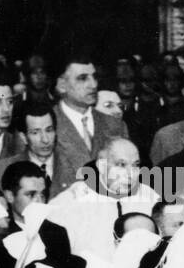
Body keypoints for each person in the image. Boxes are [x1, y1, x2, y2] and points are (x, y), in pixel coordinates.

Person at [47, 137, 159, 264]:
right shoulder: (73, 200)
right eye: (121, 165)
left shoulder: (150, 198)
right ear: (102, 166)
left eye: (135, 165)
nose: (130, 174)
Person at [51, 54, 130, 195]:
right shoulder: (46, 125)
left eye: (94, 77)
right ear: (62, 85)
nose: (93, 85)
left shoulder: (116, 125)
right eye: (82, 78)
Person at [0, 103, 57, 191]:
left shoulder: (75, 164)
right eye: (35, 132)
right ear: (24, 137)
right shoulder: (2, 170)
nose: (45, 140)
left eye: (49, 130)